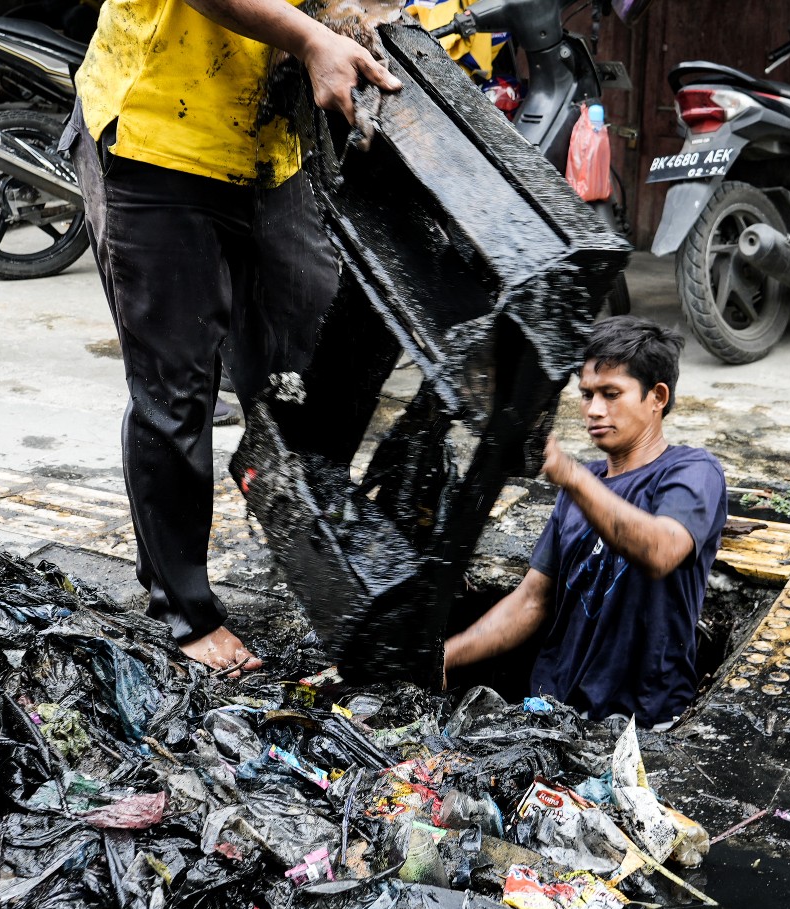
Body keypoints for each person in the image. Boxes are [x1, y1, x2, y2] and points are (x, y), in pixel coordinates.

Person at [62, 0, 401, 676]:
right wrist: (308, 36)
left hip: (267, 145)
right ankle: (183, 610)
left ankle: (289, 517)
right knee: (175, 389)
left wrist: (346, 13)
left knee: (307, 364)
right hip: (158, 132)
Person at [444, 317, 727, 729]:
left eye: (611, 394)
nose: (594, 410)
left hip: (640, 723)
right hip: (550, 712)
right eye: (587, 394)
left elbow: (662, 550)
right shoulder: (579, 488)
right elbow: (531, 601)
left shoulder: (692, 471)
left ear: (657, 397)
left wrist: (571, 476)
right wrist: (446, 655)